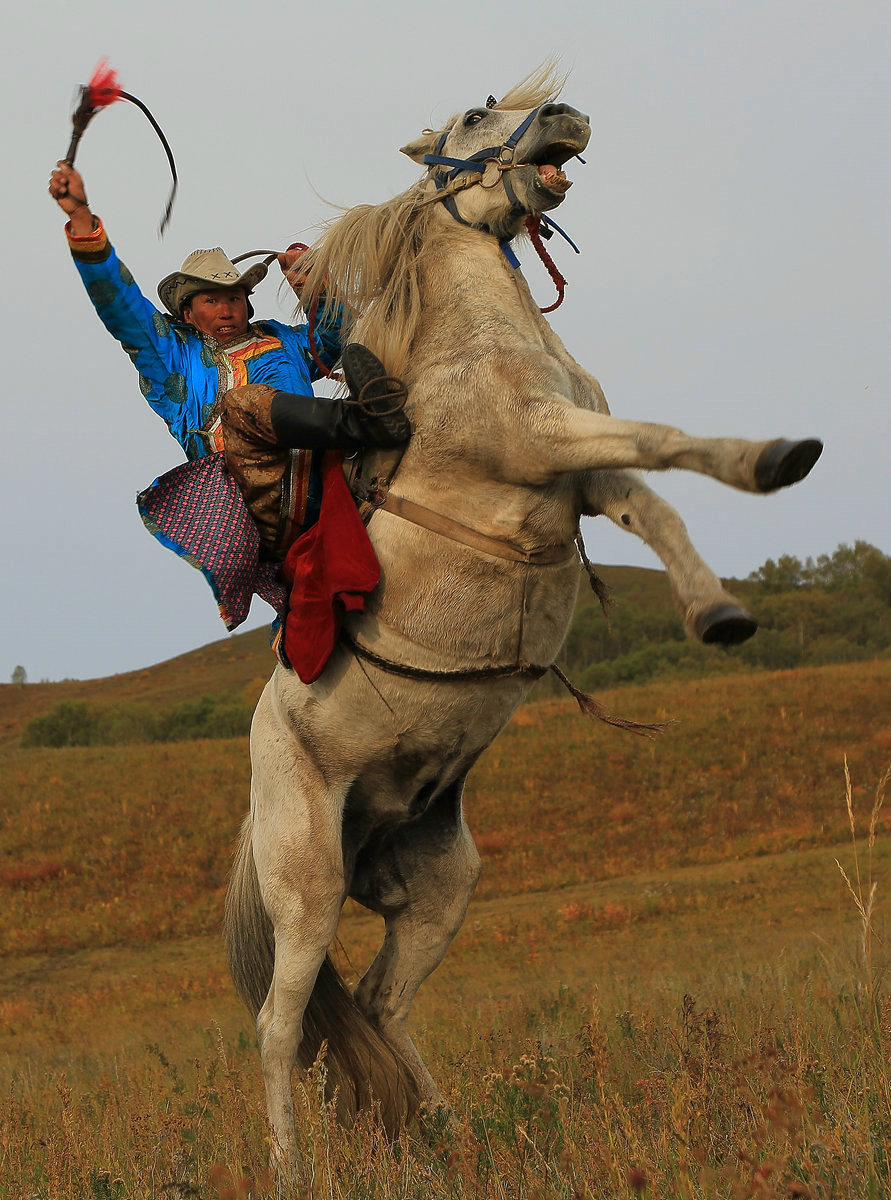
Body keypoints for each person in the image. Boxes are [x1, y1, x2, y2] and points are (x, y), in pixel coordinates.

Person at [48, 161, 410, 629]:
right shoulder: (171, 357)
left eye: (235, 298)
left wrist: (313, 280)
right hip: (250, 497)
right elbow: (119, 306)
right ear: (187, 310)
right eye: (212, 300)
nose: (227, 308)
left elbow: (336, 338)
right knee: (244, 407)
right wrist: (81, 219)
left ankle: (377, 423)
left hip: (321, 482)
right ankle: (365, 421)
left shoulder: (282, 340)